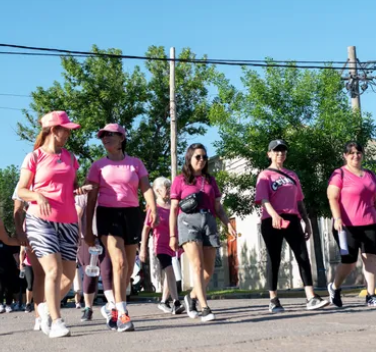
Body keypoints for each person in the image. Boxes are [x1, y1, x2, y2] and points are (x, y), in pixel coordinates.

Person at [17, 111, 89, 338]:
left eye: (69, 130)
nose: (68, 133)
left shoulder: (70, 157)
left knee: (68, 278)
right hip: (40, 219)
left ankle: (45, 307)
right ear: (52, 130)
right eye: (65, 129)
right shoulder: (34, 157)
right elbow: (21, 190)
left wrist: (82, 190)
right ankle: (56, 321)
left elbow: (70, 189)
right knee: (53, 270)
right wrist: (37, 196)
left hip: (68, 221)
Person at [85, 123, 158, 332]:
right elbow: (90, 200)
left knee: (126, 269)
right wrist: (88, 230)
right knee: (118, 261)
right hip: (108, 214)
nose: (105, 138)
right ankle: (123, 314)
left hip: (132, 214)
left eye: (110, 135)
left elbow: (146, 188)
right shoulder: (98, 166)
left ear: (121, 138)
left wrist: (152, 209)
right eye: (102, 136)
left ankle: (112, 306)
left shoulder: (135, 163)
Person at [255, 139, 329, 313]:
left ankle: (310, 297)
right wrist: (274, 215)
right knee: (274, 258)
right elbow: (263, 199)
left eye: (283, 151)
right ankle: (273, 299)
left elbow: (300, 201)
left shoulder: (293, 176)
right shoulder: (265, 175)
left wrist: (307, 223)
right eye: (276, 151)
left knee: (302, 255)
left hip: (292, 218)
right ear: (269, 154)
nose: (280, 153)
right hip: (271, 219)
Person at [169, 143, 236, 322]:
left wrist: (227, 222)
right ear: (189, 158)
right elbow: (173, 208)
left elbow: (217, 206)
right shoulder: (180, 180)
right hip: (187, 221)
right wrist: (172, 235)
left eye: (204, 157)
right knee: (197, 265)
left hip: (209, 222)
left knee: (209, 270)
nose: (202, 160)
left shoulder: (210, 180)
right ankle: (204, 307)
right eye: (198, 156)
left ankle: (191, 297)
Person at [327, 141, 376, 307]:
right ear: (345, 156)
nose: (356, 155)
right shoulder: (339, 174)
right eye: (351, 153)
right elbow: (332, 197)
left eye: (358, 152)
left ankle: (371, 295)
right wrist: (337, 218)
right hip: (346, 225)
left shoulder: (370, 174)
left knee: (370, 258)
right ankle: (334, 287)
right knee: (349, 261)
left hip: (370, 223)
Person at [140, 177, 184, 315]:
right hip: (160, 245)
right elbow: (146, 229)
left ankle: (164, 301)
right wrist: (142, 249)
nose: (170, 190)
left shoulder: (172, 207)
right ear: (158, 190)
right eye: (167, 188)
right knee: (170, 270)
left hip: (173, 245)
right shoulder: (154, 209)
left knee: (169, 274)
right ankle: (176, 302)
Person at [75, 194, 115, 323]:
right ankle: (88, 308)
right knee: (90, 272)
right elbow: (77, 216)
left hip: (105, 237)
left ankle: (112, 305)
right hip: (86, 239)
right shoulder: (82, 198)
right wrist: (81, 238)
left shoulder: (108, 195)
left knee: (107, 271)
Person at [13, 185, 45, 330]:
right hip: (30, 257)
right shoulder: (27, 220)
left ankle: (45, 310)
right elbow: (21, 247)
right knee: (33, 283)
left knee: (53, 277)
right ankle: (35, 312)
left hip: (51, 237)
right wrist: (21, 263)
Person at [0, 221, 20, 313]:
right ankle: (0, 304)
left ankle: (8, 305)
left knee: (9, 287)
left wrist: (19, 264)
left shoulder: (9, 241)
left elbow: (15, 254)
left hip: (10, 268)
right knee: (0, 287)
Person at [19, 245, 34, 313]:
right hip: (28, 264)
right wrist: (21, 263)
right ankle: (28, 304)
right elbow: (22, 252)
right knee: (30, 285)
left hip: (40, 264)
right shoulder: (24, 240)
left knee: (41, 284)